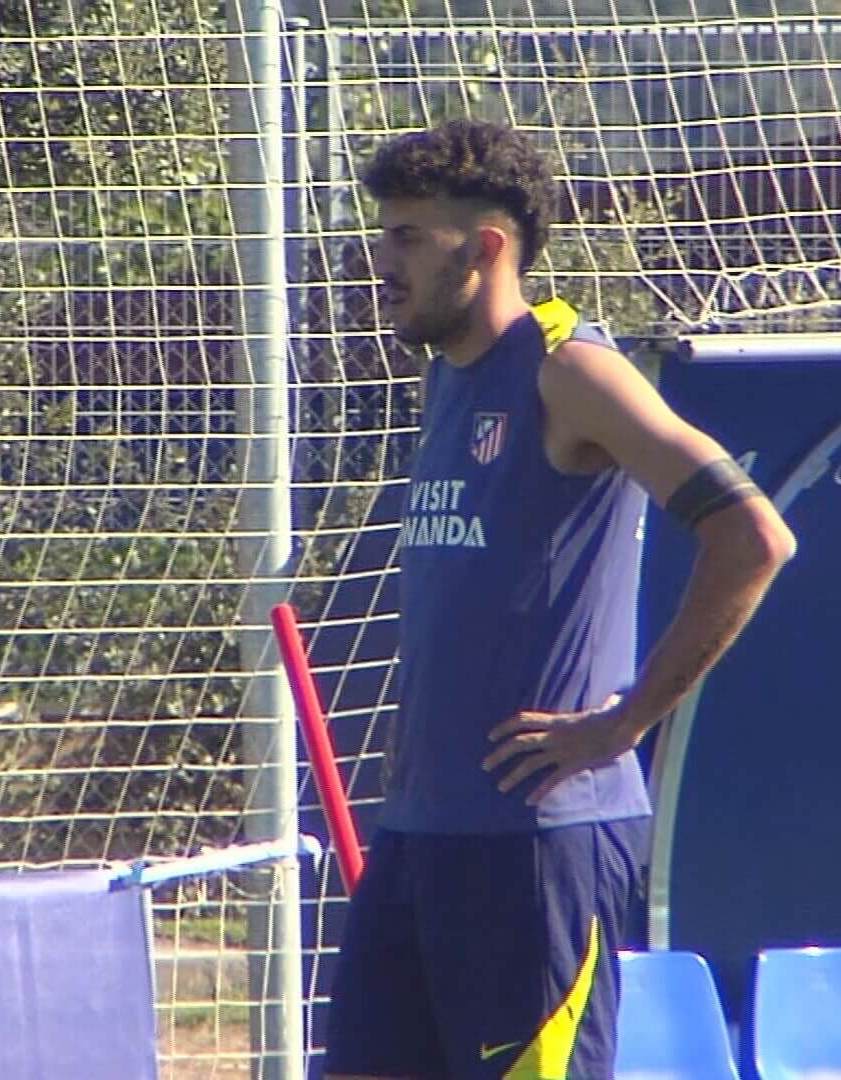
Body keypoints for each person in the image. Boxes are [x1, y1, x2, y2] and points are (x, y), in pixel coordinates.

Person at [324, 118, 797, 1080]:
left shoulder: (569, 370)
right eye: (383, 234)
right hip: (422, 833)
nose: (381, 260)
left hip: (534, 841)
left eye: (408, 236)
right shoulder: (451, 380)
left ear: (487, 245)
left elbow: (753, 537)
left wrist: (622, 722)